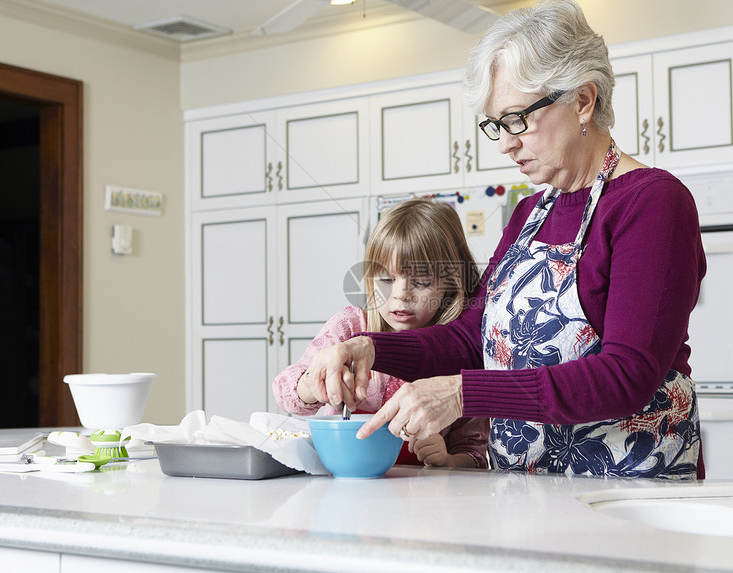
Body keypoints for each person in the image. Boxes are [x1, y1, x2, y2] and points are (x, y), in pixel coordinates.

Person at [303, 0, 706, 480]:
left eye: (517, 119)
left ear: (582, 99)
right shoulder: (530, 214)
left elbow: (627, 374)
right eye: (495, 124)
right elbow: (471, 336)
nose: (504, 143)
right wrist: (370, 347)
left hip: (627, 490)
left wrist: (461, 394)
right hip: (522, 487)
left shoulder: (653, 202)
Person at [273, 197, 489, 469]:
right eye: (386, 280)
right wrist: (314, 382)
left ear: (451, 284)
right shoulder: (350, 327)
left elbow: (475, 455)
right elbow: (284, 392)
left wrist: (448, 460)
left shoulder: (461, 350)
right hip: (343, 484)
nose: (401, 295)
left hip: (415, 497)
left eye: (421, 282)